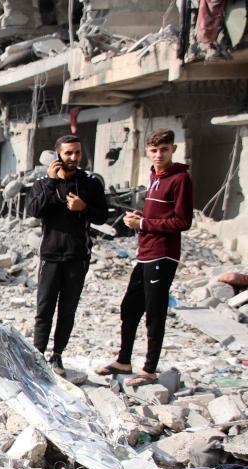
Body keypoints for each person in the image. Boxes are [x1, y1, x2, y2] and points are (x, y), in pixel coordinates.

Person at [98, 128, 192, 386]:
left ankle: (149, 370)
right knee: (129, 307)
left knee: (154, 311)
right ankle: (124, 360)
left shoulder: (180, 178)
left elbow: (183, 221)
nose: (158, 155)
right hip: (145, 253)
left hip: (162, 255)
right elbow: (157, 214)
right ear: (147, 152)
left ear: (173, 149)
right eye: (153, 150)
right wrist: (138, 219)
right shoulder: (154, 175)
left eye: (163, 149)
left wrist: (145, 223)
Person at [25, 134, 108, 375]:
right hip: (50, 256)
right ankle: (37, 354)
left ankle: (57, 356)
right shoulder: (43, 183)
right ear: (57, 155)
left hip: (77, 256)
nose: (73, 158)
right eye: (68, 153)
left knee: (67, 310)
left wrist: (85, 208)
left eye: (77, 153)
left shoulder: (90, 183)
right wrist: (52, 183)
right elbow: (34, 210)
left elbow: (103, 216)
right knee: (44, 309)